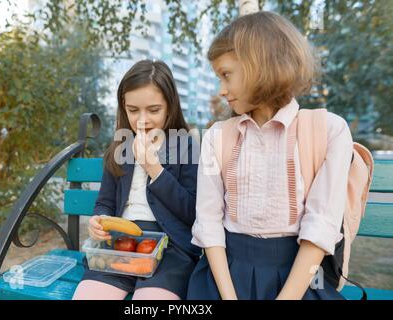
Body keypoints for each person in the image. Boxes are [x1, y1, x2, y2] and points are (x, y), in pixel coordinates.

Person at [187, 11, 353, 300]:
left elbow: (320, 228)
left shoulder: (329, 131)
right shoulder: (216, 136)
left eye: (226, 75)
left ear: (259, 65)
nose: (222, 90)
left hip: (300, 278)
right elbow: (209, 223)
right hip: (224, 274)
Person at [73, 59, 201, 300]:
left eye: (153, 110)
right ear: (124, 107)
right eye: (133, 110)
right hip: (119, 246)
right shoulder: (121, 146)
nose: (142, 119)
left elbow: (193, 213)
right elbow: (105, 202)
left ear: (170, 106)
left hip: (171, 251)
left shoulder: (185, 146)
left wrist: (155, 169)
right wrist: (98, 220)